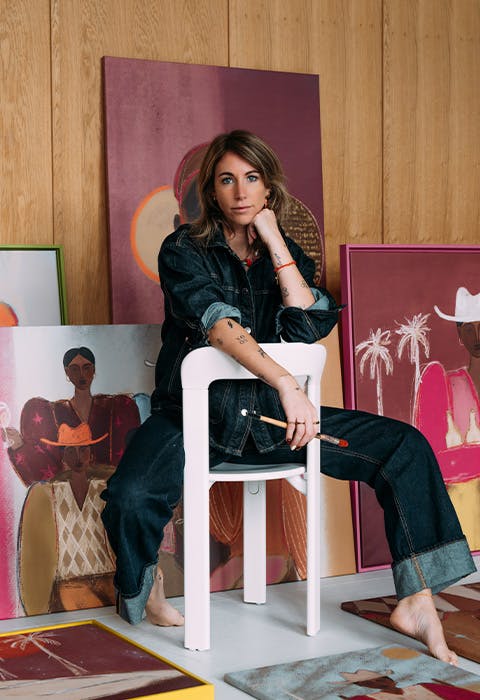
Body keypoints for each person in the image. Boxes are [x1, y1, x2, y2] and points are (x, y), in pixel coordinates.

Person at [101, 130, 476, 664]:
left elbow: (308, 323)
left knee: (405, 447)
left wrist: (275, 240)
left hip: (276, 423)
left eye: (251, 178)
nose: (240, 191)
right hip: (194, 419)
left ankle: (417, 600)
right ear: (211, 190)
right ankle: (146, 583)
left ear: (268, 187)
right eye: (227, 179)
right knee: (130, 497)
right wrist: (285, 382)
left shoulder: (284, 251)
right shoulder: (182, 250)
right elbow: (218, 325)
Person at [18, 423, 116, 614]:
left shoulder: (105, 487)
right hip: (70, 583)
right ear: (63, 456)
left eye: (83, 449)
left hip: (109, 577)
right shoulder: (49, 493)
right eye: (71, 451)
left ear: (91, 453)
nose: (78, 457)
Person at [7, 346, 141, 485]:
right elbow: (43, 469)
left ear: (93, 370)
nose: (81, 374)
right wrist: (18, 444)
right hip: (67, 489)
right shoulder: (53, 412)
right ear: (67, 372)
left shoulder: (113, 408)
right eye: (75, 369)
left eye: (86, 368)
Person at [413, 287, 480, 549]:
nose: (477, 337)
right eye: (469, 329)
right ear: (459, 334)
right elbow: (434, 461)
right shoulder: (444, 384)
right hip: (464, 514)